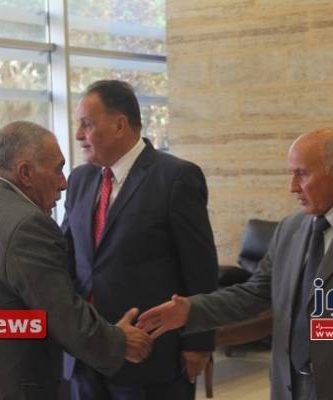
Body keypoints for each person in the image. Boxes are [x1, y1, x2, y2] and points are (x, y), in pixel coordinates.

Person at [138, 128, 333, 400]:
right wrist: (191, 309)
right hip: (288, 387)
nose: (292, 187)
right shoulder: (289, 229)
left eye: (302, 174)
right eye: (291, 174)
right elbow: (255, 293)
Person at [0, 121, 153, 400]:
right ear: (25, 173)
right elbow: (63, 316)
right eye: (57, 169)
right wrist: (120, 342)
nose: (64, 183)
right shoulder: (27, 225)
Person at [62, 80, 218, 400]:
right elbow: (68, 254)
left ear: (119, 125)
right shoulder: (80, 179)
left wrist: (199, 343)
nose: (78, 135)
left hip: (152, 357)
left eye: (87, 124)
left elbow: (200, 268)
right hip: (87, 355)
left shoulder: (175, 177)